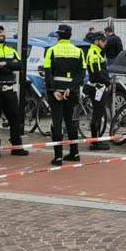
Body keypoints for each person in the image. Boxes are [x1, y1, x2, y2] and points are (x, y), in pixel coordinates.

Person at [43, 24, 85, 166]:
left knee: (57, 122)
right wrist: (71, 88)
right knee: (70, 121)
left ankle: (58, 157)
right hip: (71, 92)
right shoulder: (78, 51)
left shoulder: (51, 50)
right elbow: (81, 74)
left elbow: (48, 73)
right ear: (70, 36)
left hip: (56, 92)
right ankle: (75, 152)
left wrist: (53, 90)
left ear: (58, 36)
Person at [0, 26, 28, 158]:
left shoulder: (11, 50)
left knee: (15, 118)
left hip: (10, 90)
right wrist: (9, 65)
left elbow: (20, 65)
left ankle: (16, 147)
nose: (0, 34)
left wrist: (4, 64)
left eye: (2, 32)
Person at [84, 31, 111, 150]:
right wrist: (108, 82)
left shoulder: (98, 52)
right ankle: (95, 143)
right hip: (97, 87)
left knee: (98, 114)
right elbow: (96, 75)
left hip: (99, 86)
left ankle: (96, 141)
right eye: (103, 41)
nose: (105, 43)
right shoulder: (94, 53)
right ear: (97, 41)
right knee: (97, 115)